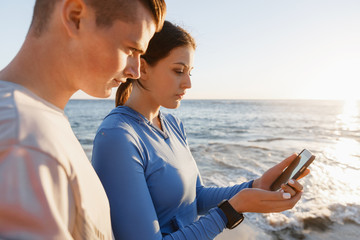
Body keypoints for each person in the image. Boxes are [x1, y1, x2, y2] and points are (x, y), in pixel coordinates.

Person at [92, 21, 309, 240]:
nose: (188, 83)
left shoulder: (173, 125)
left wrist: (255, 186)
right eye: (178, 71)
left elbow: (195, 199)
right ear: (144, 68)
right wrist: (231, 210)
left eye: (190, 73)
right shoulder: (117, 137)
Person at [0, 0, 166, 239]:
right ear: (76, 17)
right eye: (131, 50)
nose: (135, 72)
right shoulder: (24, 140)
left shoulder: (37, 121)